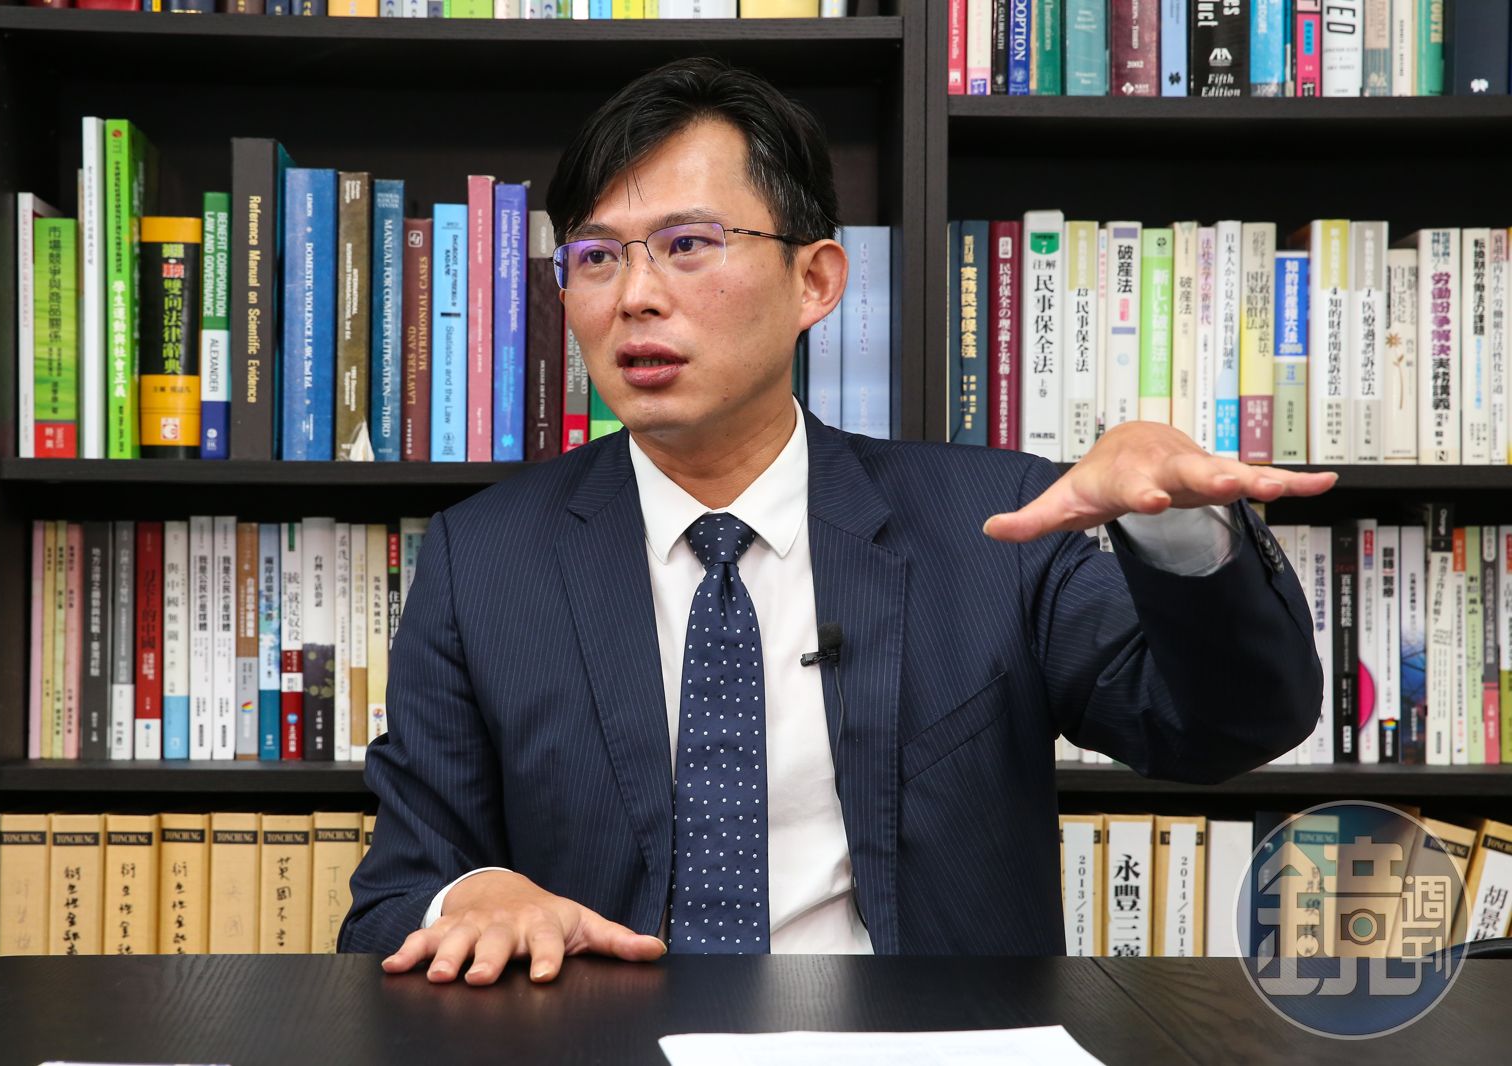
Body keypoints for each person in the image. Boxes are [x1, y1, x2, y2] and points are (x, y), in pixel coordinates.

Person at [340, 57, 1329, 982]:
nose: (635, 296)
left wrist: (1178, 530)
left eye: (688, 245)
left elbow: (1226, 728)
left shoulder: (994, 526)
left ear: (813, 281)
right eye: (596, 257)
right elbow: (392, 898)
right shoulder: (484, 561)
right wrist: (476, 895)